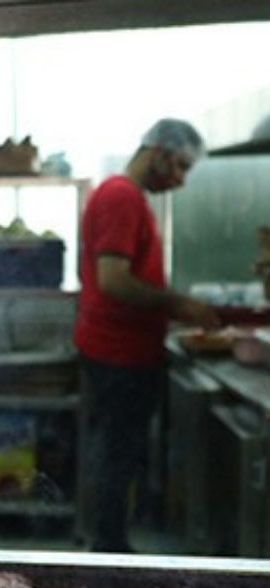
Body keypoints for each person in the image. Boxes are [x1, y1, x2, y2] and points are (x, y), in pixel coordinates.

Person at [73, 118, 219, 552]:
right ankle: (109, 556)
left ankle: (110, 547)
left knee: (118, 456)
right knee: (117, 458)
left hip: (122, 351)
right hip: (118, 356)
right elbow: (114, 280)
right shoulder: (121, 196)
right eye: (179, 167)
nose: (179, 181)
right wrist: (180, 305)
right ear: (157, 150)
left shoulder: (125, 196)